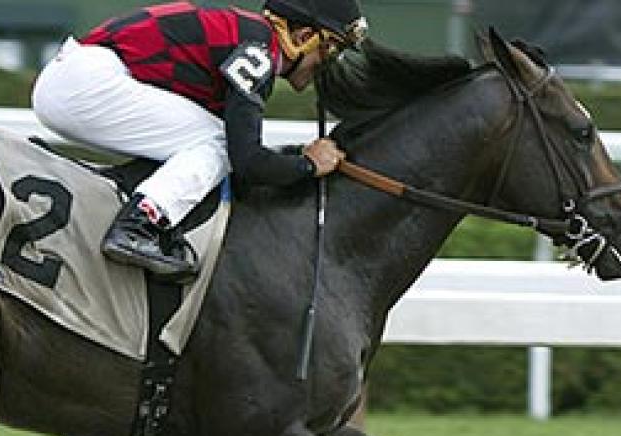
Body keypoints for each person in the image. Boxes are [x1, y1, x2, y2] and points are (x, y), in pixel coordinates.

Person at [32, 1, 369, 279]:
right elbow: (248, 161)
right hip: (84, 84)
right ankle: (140, 224)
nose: (329, 64)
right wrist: (308, 165)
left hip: (77, 76)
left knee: (205, 141)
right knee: (216, 141)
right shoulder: (259, 52)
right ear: (304, 36)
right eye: (330, 49)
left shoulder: (248, 37)